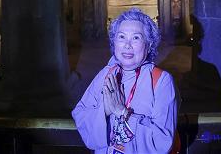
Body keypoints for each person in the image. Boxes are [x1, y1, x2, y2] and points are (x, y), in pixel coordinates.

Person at [72, 8, 179, 154]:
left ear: (148, 46)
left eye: (136, 38)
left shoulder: (161, 81)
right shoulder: (106, 74)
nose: (127, 45)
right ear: (114, 43)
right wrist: (104, 111)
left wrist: (123, 112)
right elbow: (80, 113)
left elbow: (162, 141)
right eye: (121, 37)